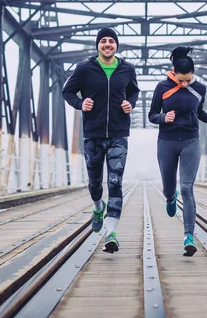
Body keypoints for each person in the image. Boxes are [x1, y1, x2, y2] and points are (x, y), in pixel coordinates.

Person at [62, 27, 139, 253]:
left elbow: (133, 92)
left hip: (118, 134)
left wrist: (130, 104)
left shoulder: (127, 69)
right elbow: (68, 92)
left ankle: (111, 233)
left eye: (111, 41)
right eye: (103, 41)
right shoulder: (85, 69)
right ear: (97, 45)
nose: (107, 44)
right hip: (93, 134)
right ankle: (98, 206)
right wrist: (80, 104)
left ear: (117, 45)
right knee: (95, 182)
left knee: (115, 183)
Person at [148, 46, 207, 256]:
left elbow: (200, 112)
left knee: (186, 188)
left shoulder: (199, 88)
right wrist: (163, 118)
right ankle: (169, 197)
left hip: (191, 141)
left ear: (193, 74)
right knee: (169, 188)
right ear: (173, 72)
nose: (184, 84)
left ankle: (189, 236)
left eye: (188, 79)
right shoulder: (162, 87)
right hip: (167, 141)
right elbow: (152, 115)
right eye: (180, 80)